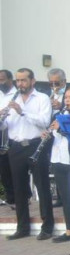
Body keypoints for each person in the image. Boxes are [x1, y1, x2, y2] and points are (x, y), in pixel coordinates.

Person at [2, 68, 55, 240]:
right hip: (16, 146)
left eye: (23, 80)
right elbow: (5, 126)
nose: (20, 84)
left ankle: (47, 227)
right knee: (19, 188)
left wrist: (22, 111)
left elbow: (44, 122)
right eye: (18, 80)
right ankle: (22, 227)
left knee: (42, 186)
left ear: (32, 81)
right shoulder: (10, 99)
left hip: (35, 144)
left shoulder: (42, 98)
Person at [48, 85, 70, 243]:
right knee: (66, 197)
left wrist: (60, 129)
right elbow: (55, 136)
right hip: (58, 158)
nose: (67, 100)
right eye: (66, 98)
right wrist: (48, 133)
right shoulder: (60, 114)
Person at [0, 69, 16, 206]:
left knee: (12, 168)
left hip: (12, 135)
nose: (0, 83)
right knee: (3, 169)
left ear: (10, 80)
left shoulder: (16, 95)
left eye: (2, 80)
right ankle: (10, 197)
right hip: (1, 134)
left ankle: (18, 197)